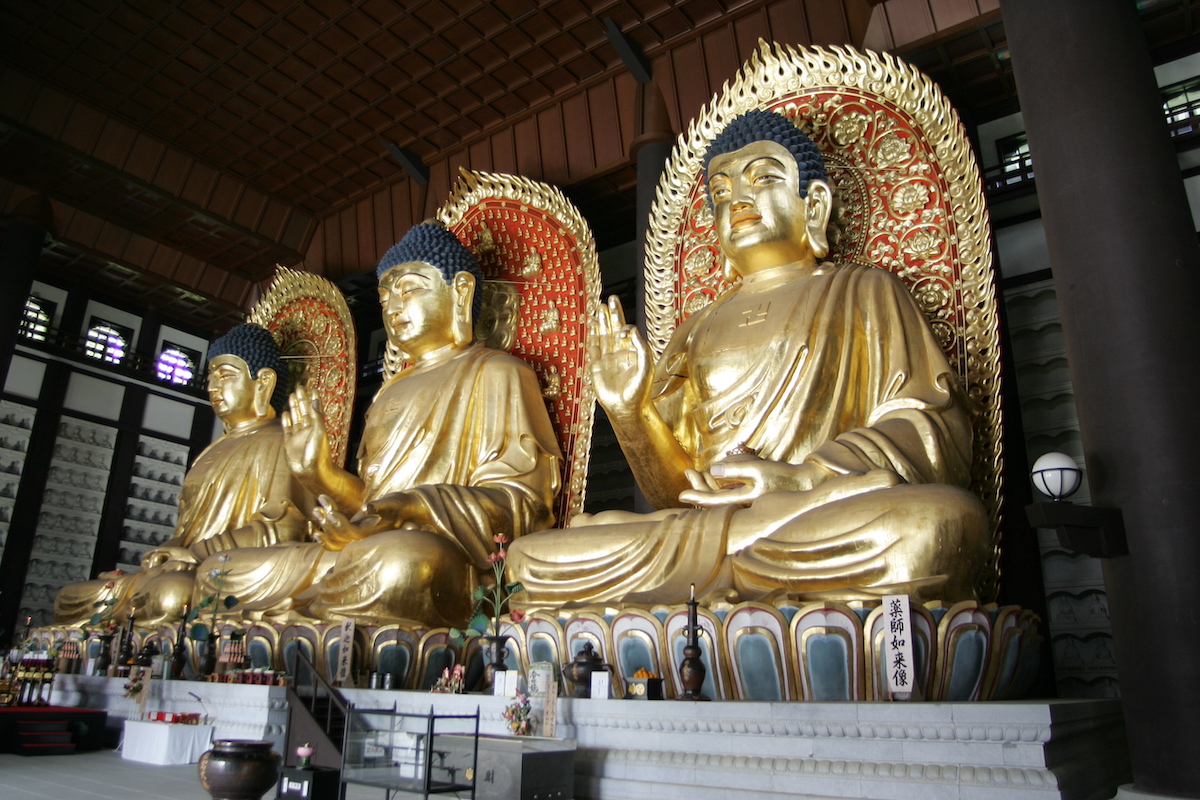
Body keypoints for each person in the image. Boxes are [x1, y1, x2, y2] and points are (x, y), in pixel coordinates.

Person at [507, 109, 989, 606]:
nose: (737, 200)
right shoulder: (695, 330)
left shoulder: (865, 291)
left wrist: (805, 477)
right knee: (530, 559)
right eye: (720, 192)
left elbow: (928, 424)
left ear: (815, 206)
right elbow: (676, 496)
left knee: (934, 527)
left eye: (762, 179)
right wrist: (631, 413)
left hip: (811, 518)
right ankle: (732, 578)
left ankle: (701, 594)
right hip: (705, 535)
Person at [193, 222, 562, 626]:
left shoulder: (499, 373)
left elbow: (524, 506)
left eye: (410, 289)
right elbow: (370, 502)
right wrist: (319, 474)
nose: (393, 308)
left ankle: (308, 623)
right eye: (385, 298)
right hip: (363, 551)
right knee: (217, 572)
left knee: (402, 563)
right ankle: (320, 620)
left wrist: (414, 506)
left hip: (442, 556)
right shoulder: (388, 393)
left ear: (461, 292)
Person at [53, 324, 313, 627]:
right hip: (182, 567)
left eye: (226, 375)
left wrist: (193, 553)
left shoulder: (278, 440)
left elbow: (282, 531)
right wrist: (166, 552)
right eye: (211, 377)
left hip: (217, 571)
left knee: (174, 594)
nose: (212, 387)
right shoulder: (209, 453)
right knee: (71, 596)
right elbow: (187, 529)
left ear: (263, 382)